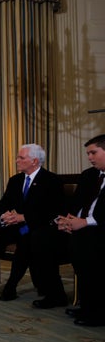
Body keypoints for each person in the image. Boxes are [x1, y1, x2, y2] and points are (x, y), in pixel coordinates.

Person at [0, 144, 66, 303]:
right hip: (18, 227)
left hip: (38, 227)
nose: (16, 161)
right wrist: (3, 215)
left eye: (21, 158)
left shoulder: (52, 180)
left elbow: (54, 211)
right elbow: (3, 204)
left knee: (26, 239)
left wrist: (24, 217)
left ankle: (11, 285)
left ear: (34, 161)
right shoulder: (15, 180)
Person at [55, 134, 105, 326]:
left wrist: (85, 222)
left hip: (99, 228)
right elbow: (75, 204)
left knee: (88, 246)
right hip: (84, 228)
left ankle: (97, 310)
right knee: (48, 238)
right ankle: (86, 304)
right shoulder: (88, 175)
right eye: (88, 154)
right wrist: (68, 220)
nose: (90, 157)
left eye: (93, 152)